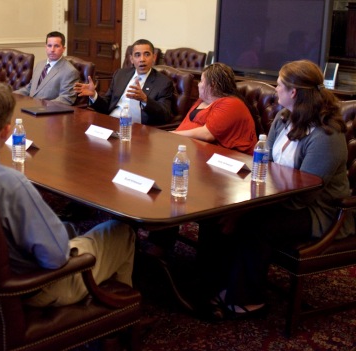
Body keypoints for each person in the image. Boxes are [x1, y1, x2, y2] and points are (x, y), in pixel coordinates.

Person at [0, 83, 136, 307]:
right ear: (6, 131)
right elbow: (56, 258)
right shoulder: (12, 183)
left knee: (69, 229)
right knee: (121, 231)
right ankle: (116, 318)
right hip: (31, 288)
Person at [197, 60, 354, 319]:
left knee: (256, 224)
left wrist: (247, 210)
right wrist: (240, 205)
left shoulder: (327, 135)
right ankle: (214, 284)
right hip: (279, 196)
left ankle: (245, 299)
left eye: (279, 85)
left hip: (321, 211)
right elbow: (265, 164)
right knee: (218, 210)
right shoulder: (283, 118)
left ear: (294, 92)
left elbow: (306, 194)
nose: (275, 89)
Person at [74, 39, 175, 126]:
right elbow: (107, 105)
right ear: (131, 59)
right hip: (111, 122)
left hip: (138, 130)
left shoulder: (163, 82)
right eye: (137, 55)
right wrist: (94, 95)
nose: (142, 59)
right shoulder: (121, 74)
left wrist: (145, 100)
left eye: (147, 54)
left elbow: (165, 115)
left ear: (154, 57)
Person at [172, 63, 257, 155]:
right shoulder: (202, 100)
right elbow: (185, 125)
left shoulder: (232, 103)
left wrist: (172, 134)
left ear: (212, 84)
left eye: (201, 81)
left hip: (228, 158)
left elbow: (207, 134)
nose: (198, 85)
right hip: (193, 149)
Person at [14, 31, 79, 106]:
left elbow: (66, 99)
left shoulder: (70, 72)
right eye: (49, 45)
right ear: (46, 47)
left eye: (56, 46)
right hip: (31, 107)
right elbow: (30, 88)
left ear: (63, 49)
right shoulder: (40, 64)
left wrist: (43, 107)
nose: (52, 50)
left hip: (48, 113)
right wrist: (11, 95)